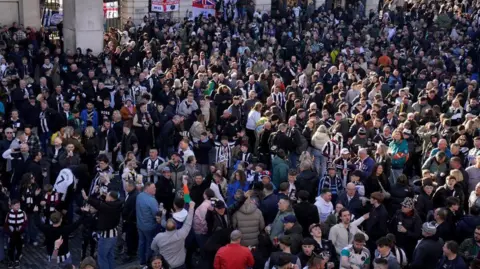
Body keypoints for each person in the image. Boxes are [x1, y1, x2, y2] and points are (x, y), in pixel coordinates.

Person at [81, 189, 123, 269]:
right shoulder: (117, 204)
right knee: (110, 255)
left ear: (110, 199)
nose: (105, 196)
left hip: (106, 236)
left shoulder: (108, 207)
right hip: (114, 234)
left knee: (102, 257)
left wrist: (87, 198)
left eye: (107, 195)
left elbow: (99, 205)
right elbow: (104, 204)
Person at [151, 201, 195, 269]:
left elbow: (153, 247)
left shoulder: (159, 237)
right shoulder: (181, 234)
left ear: (166, 227)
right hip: (180, 264)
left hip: (166, 265)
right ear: (175, 226)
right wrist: (191, 208)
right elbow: (188, 223)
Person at [135, 182, 159, 266]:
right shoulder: (152, 200)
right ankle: (149, 262)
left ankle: (142, 261)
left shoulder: (139, 196)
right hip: (149, 227)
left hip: (140, 225)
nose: (155, 189)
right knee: (150, 245)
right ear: (147, 188)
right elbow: (156, 214)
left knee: (141, 243)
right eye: (153, 188)